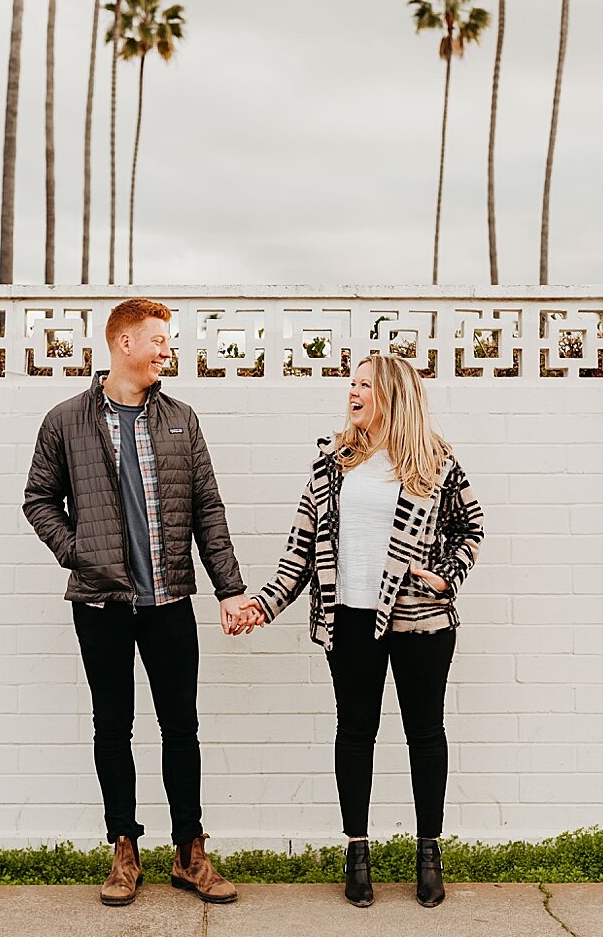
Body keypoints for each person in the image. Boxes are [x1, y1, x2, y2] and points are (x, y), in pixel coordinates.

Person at [223, 353, 484, 909]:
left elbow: (471, 527)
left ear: (391, 393)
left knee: (425, 734)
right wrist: (261, 607)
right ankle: (357, 854)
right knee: (355, 733)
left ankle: (429, 855)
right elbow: (301, 552)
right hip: (350, 619)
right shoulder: (331, 463)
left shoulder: (435, 462)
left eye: (363, 384)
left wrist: (445, 577)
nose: (352, 391)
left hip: (421, 621)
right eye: (352, 383)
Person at [23, 298, 248, 907]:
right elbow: (38, 499)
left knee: (181, 728)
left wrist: (229, 588)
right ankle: (124, 849)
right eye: (158, 341)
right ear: (124, 343)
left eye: (168, 341)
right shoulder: (66, 421)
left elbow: (209, 510)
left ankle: (188, 852)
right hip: (100, 605)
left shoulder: (182, 419)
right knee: (112, 727)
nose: (166, 351)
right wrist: (79, 552)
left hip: (170, 599)